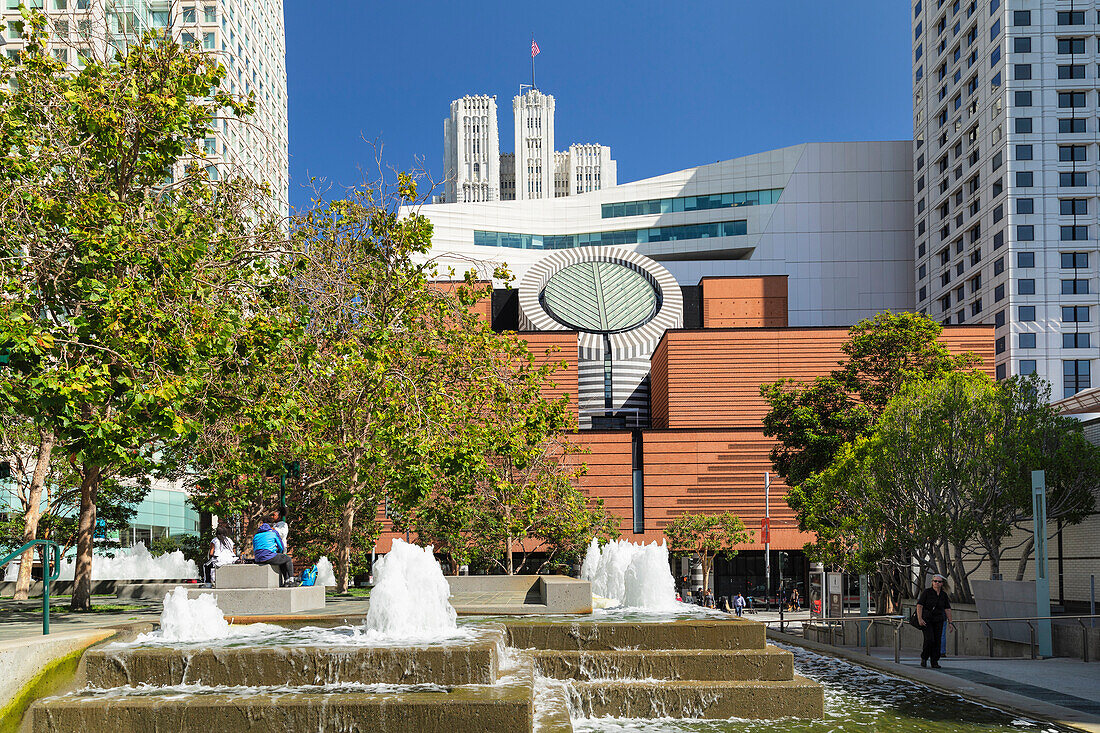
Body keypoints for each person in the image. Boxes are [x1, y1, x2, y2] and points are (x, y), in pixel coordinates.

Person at [916, 572, 953, 668]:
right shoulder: (927, 592)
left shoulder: (943, 595)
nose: (937, 583)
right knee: (929, 639)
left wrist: (950, 622)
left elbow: (947, 609)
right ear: (932, 582)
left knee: (937, 641)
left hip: (938, 620)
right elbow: (919, 605)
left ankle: (934, 661)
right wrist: (920, 618)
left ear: (942, 583)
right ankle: (924, 658)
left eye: (939, 582)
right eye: (935, 581)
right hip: (926, 620)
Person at [253, 520, 297, 587]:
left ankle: (286, 580)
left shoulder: (256, 536)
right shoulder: (273, 533)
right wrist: (279, 551)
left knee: (281, 560)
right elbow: (281, 547)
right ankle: (291, 580)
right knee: (287, 559)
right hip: (268, 557)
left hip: (258, 558)